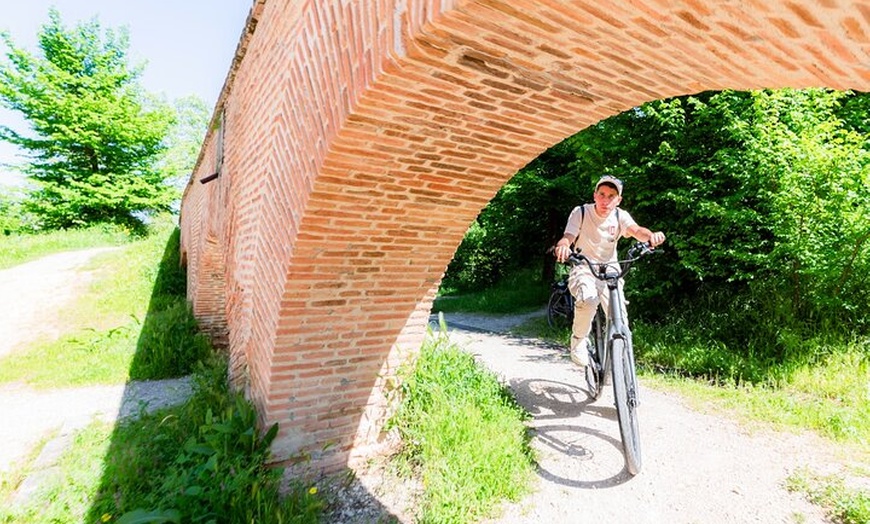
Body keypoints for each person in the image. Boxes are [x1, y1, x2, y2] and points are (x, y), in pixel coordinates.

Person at [553, 175, 666, 368]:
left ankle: (617, 350)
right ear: (595, 195)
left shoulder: (620, 216)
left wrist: (651, 236)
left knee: (619, 314)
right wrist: (563, 247)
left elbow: (637, 231)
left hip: (611, 271)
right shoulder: (580, 212)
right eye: (602, 194)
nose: (606, 200)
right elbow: (568, 236)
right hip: (584, 267)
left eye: (611, 196)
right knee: (588, 301)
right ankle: (578, 340)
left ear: (618, 200)